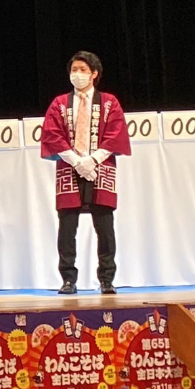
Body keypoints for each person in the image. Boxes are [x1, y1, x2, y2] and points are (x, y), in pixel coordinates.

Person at [40, 51, 131, 295]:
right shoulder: (60, 103)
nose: (77, 74)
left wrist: (92, 160)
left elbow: (115, 133)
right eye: (74, 70)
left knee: (104, 225)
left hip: (100, 167)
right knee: (67, 226)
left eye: (82, 70)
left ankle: (106, 279)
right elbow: (52, 134)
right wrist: (77, 161)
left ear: (94, 74)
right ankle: (68, 279)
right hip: (69, 166)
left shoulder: (109, 102)